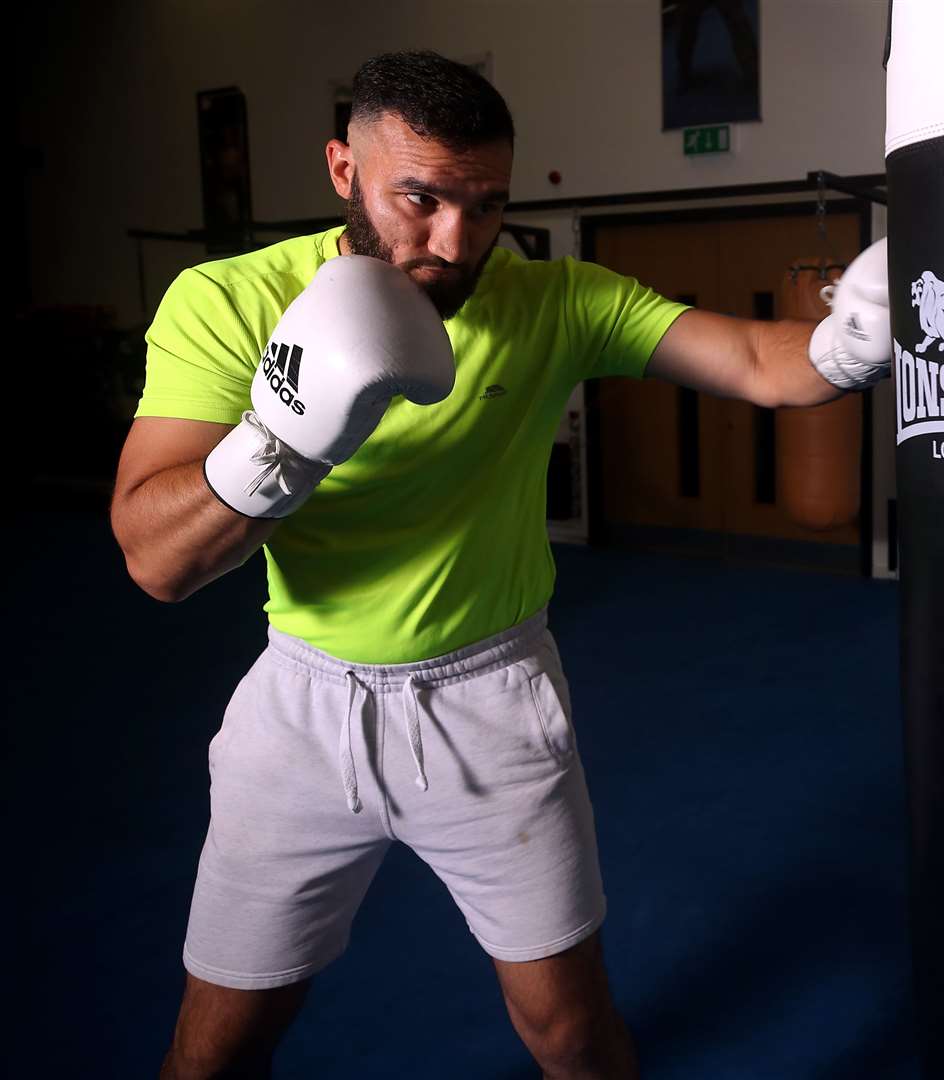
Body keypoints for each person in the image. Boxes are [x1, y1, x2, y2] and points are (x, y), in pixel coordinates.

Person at [110, 51, 891, 1079]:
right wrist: (280, 438)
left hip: (491, 699)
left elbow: (752, 360)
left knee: (569, 1034)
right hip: (297, 715)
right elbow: (154, 559)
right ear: (343, 170)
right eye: (419, 199)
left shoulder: (554, 299)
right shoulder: (230, 301)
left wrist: (851, 341)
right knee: (214, 1046)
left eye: (485, 206)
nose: (453, 240)